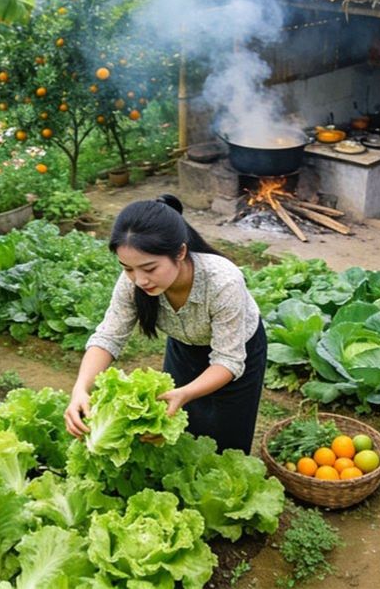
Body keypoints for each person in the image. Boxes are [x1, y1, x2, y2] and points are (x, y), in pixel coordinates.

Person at [64, 194, 266, 453]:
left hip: (238, 352)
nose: (140, 280)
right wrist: (81, 388)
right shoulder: (133, 281)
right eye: (127, 268)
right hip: (184, 347)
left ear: (180, 252)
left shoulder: (223, 281)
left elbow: (228, 360)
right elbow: (108, 337)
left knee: (226, 441)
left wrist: (185, 393)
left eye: (149, 268)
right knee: (176, 433)